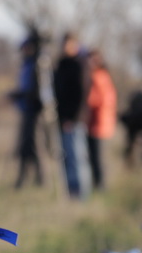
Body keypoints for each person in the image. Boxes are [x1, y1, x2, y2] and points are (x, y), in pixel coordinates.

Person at [53, 32, 91, 199]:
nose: (65, 47)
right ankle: (70, 192)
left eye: (68, 44)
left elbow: (82, 95)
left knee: (77, 156)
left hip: (74, 120)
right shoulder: (61, 64)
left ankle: (81, 194)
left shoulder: (80, 65)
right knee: (66, 157)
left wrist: (72, 118)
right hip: (61, 118)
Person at [9, 28, 45, 188]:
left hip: (34, 111)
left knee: (33, 145)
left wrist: (18, 95)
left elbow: (37, 91)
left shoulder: (38, 65)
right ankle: (25, 179)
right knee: (25, 146)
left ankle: (38, 179)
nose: (24, 50)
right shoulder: (26, 64)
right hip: (25, 109)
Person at [85, 49, 118, 190]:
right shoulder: (100, 76)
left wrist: (84, 101)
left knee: (96, 157)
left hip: (99, 122)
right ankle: (97, 184)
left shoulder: (99, 76)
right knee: (93, 156)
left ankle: (100, 185)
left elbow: (100, 99)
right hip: (95, 122)